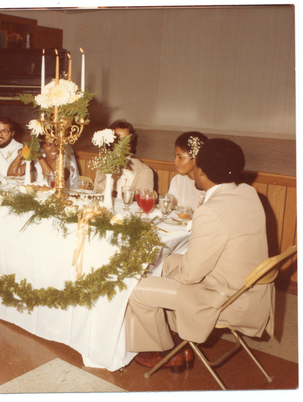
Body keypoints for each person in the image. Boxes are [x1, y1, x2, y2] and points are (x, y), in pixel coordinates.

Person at [124, 139, 270, 373]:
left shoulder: (211, 211)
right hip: (249, 289)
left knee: (137, 288)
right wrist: (170, 274)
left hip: (226, 299)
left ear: (200, 171)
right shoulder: (248, 193)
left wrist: (166, 279)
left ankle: (165, 352)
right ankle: (180, 341)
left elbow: (191, 275)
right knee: (168, 261)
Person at [93, 120, 153, 197]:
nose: (121, 145)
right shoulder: (103, 165)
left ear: (131, 142)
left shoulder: (144, 171)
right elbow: (96, 194)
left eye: (126, 140)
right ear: (110, 142)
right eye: (117, 140)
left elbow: (141, 204)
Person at [7, 138, 80, 189]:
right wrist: (19, 156)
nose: (53, 148)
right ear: (43, 146)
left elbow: (53, 184)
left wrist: (39, 156)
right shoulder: (37, 162)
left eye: (57, 144)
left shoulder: (67, 164)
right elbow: (11, 174)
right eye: (49, 144)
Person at [168, 131, 209, 210]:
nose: (175, 161)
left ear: (196, 158)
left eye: (180, 157)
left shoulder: (209, 182)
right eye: (175, 156)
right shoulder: (177, 180)